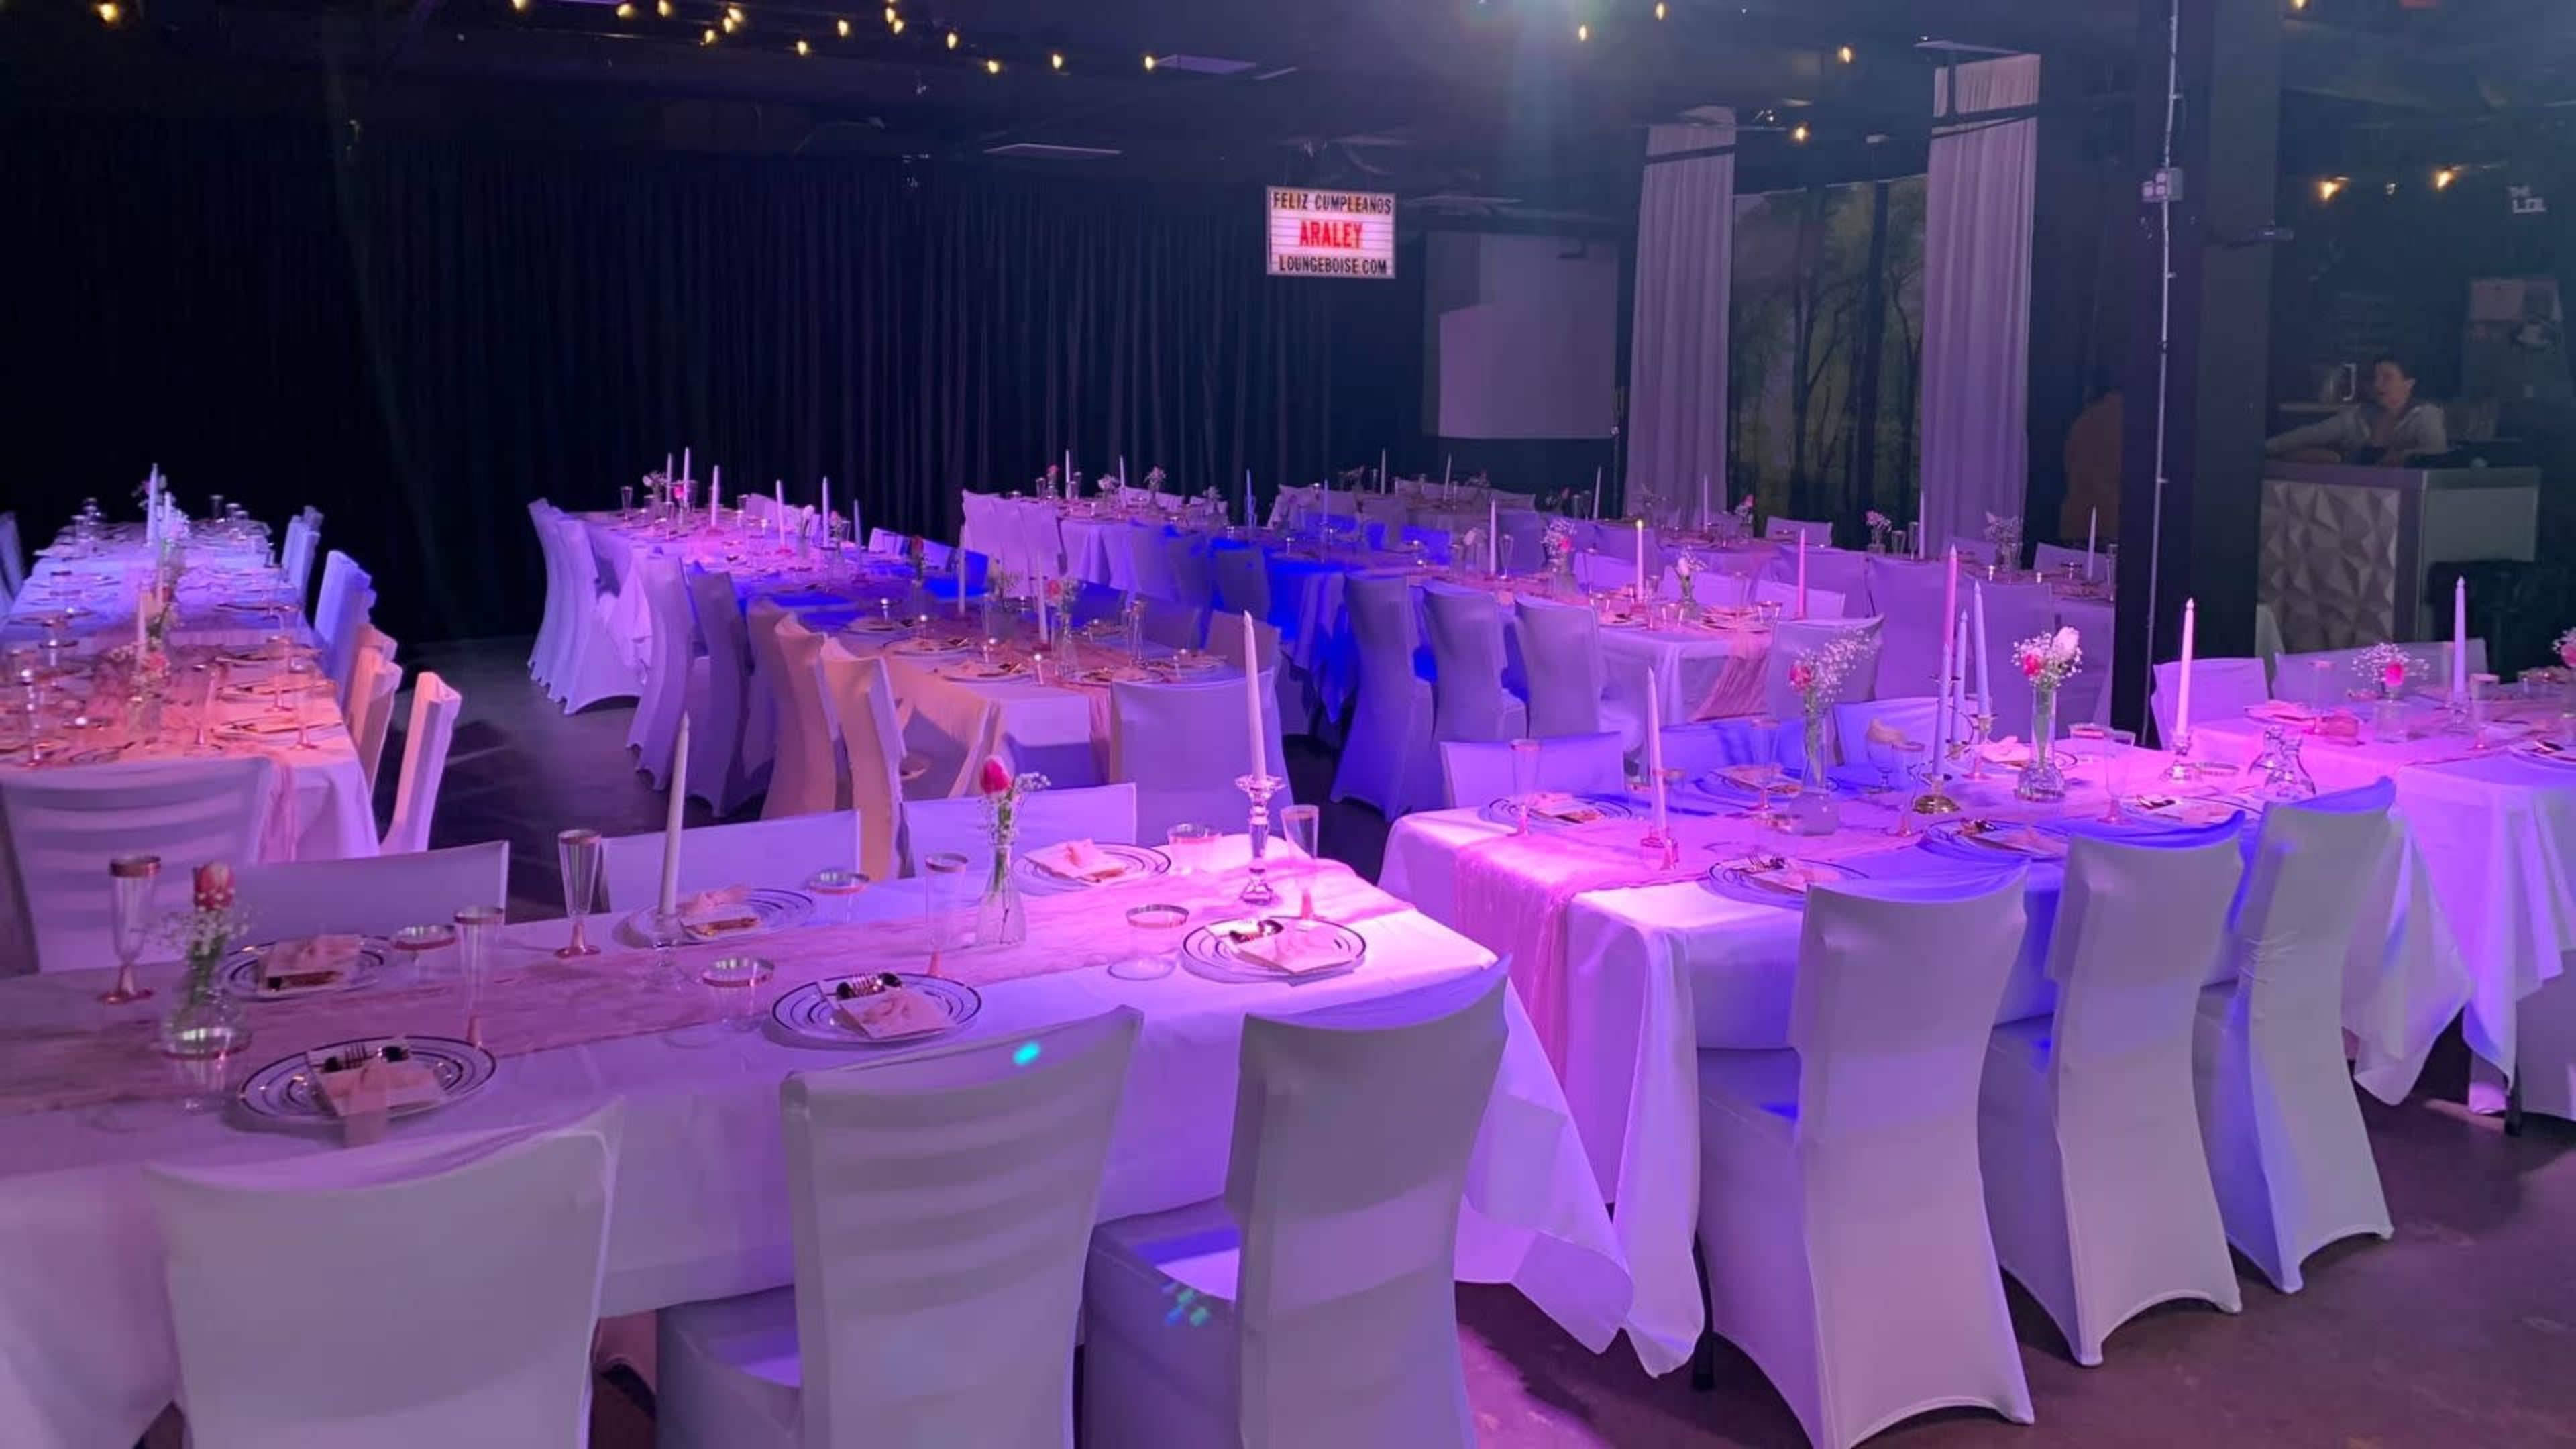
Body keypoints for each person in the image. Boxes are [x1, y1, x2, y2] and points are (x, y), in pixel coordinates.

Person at [2265, 354, 2448, 466]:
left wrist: (2403, 457)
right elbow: (2311, 434)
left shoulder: (2425, 414)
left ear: (2409, 384)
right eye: (2375, 377)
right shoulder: (2358, 415)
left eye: (2387, 378)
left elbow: (2436, 452)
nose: (2377, 384)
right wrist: (2263, 450)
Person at [2059, 370, 2121, 545]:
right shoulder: (2129, 422)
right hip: (2111, 524)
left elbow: (2067, 465)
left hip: (2075, 522)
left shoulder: (2083, 420)